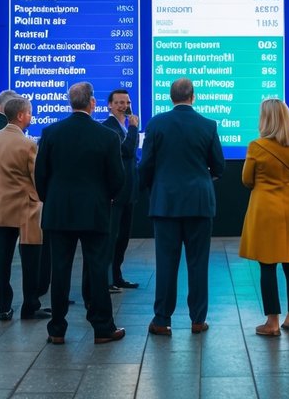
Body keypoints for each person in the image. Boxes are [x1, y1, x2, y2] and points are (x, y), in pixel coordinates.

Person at [35, 82, 126, 344]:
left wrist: (49, 199)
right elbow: (117, 178)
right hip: (95, 212)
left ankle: (57, 329)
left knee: (60, 269)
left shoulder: (51, 132)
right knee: (97, 269)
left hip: (59, 212)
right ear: (93, 103)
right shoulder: (107, 136)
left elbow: (40, 174)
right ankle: (102, 327)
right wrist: (106, 197)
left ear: (69, 103)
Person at [140, 77, 224, 333]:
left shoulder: (156, 123)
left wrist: (153, 187)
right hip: (199, 203)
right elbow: (219, 166)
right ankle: (198, 319)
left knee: (166, 263)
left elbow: (146, 165)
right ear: (193, 96)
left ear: (170, 97)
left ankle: (162, 320)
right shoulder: (208, 125)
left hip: (165, 204)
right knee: (198, 263)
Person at [239, 99, 289, 336]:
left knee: (267, 265)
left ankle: (272, 322)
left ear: (265, 119)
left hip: (265, 210)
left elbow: (247, 180)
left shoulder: (256, 146)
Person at [0, 95, 48, 320]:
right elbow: (37, 177)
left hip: (1, 206)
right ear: (20, 115)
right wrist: (39, 198)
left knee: (3, 259)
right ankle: (30, 305)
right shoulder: (28, 144)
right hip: (26, 208)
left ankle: (4, 307)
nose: (31, 116)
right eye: (29, 112)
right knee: (30, 260)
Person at [102, 88, 141, 291]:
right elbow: (125, 151)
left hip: (129, 191)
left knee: (123, 237)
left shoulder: (124, 127)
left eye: (126, 102)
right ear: (109, 105)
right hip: (115, 193)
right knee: (111, 236)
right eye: (118, 102)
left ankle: (117, 275)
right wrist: (134, 128)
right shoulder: (108, 127)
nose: (123, 106)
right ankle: (106, 279)